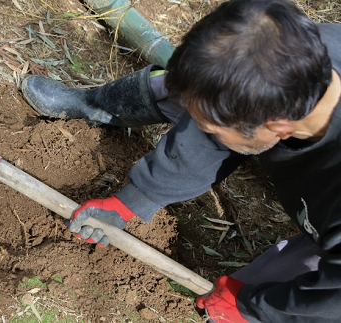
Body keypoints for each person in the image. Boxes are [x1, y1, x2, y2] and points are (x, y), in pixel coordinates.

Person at [21, 0, 341, 321]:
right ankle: (96, 104)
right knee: (198, 86)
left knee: (255, 307)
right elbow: (205, 138)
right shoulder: (293, 53)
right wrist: (134, 199)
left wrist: (255, 306)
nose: (200, 129)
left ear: (279, 126)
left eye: (210, 128)